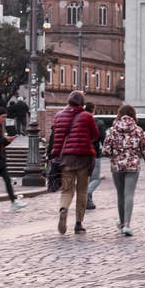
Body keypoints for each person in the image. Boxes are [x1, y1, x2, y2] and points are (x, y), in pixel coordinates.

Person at [47, 90, 100, 234]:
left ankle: (63, 209)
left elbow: (56, 139)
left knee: (67, 190)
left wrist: (54, 155)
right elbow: (95, 135)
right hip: (84, 158)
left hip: (66, 159)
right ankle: (78, 223)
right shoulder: (87, 116)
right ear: (82, 102)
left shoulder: (58, 116)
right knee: (82, 190)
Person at [100, 103, 145, 236]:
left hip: (117, 166)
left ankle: (122, 222)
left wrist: (115, 155)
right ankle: (127, 225)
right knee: (129, 194)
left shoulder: (113, 130)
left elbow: (105, 150)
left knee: (120, 194)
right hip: (133, 165)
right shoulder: (138, 130)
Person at [84, 101, 104, 210]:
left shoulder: (79, 121)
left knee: (85, 179)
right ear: (93, 110)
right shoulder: (98, 123)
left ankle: (89, 202)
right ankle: (86, 194)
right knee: (95, 179)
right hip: (94, 154)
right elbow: (102, 138)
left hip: (81, 154)